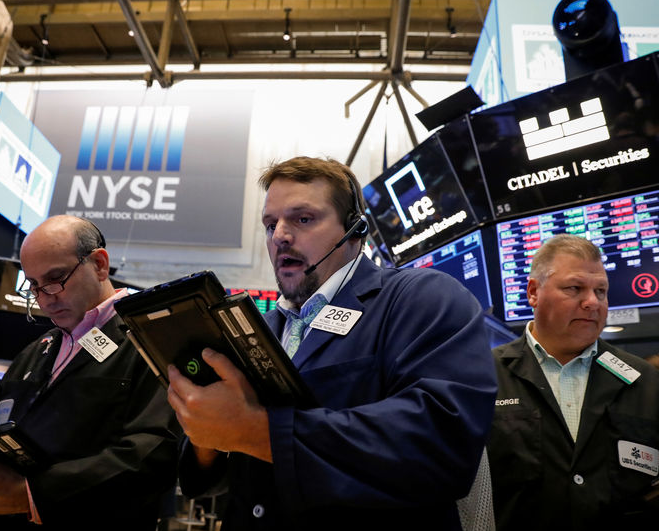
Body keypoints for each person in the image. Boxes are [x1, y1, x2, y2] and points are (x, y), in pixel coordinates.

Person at [168, 157, 498, 530]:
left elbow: (441, 444)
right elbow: (203, 482)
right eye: (270, 224)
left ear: (355, 229)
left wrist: (258, 431)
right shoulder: (260, 328)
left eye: (303, 219)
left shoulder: (422, 298)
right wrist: (205, 430)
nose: (279, 237)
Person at [0, 215, 180, 530]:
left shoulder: (151, 336)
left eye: (56, 278)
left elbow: (154, 450)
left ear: (99, 264)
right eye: (35, 285)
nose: (45, 297)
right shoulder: (35, 350)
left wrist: (33, 494)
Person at [487, 234, 659, 530]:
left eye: (601, 291)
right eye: (574, 288)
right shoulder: (483, 376)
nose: (592, 302)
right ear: (533, 292)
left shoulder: (645, 380)